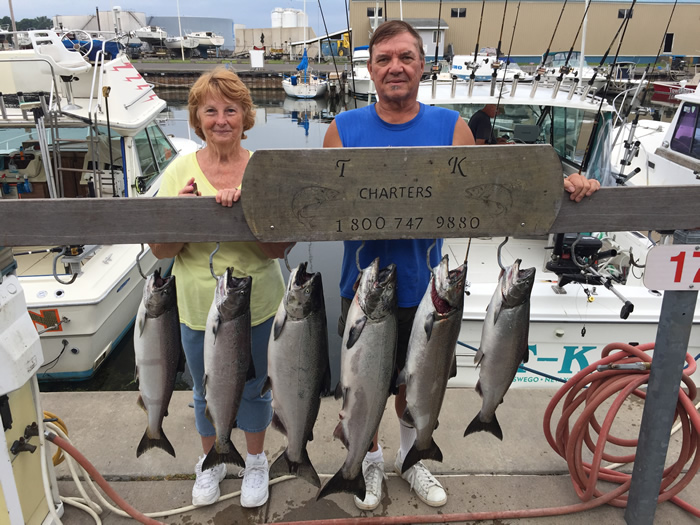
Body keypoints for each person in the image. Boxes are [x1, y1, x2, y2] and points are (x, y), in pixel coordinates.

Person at [323, 20, 600, 512]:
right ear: (370, 69)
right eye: (384, 58)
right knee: (364, 390)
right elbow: (319, 205)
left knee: (418, 387)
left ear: (422, 65)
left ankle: (413, 458)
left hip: (431, 290)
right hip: (363, 288)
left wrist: (564, 181)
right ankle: (366, 460)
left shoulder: (452, 125)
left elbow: (496, 187)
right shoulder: (341, 129)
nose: (395, 67)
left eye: (406, 57)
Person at [149, 68, 290, 509]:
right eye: (210, 110)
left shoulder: (263, 171)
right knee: (202, 388)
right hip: (195, 307)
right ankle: (211, 459)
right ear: (197, 118)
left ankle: (254, 461)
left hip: (260, 304)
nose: (221, 119)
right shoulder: (179, 170)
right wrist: (185, 214)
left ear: (246, 116)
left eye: (231, 109)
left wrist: (249, 212)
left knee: (255, 387)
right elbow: (160, 249)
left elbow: (275, 248)